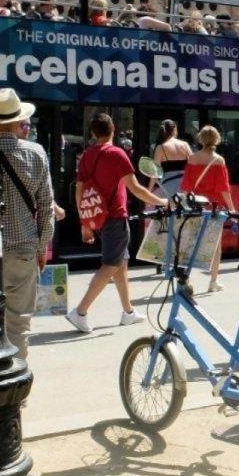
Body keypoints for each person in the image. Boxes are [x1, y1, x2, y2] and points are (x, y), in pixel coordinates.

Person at [65, 114, 167, 333]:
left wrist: (85, 222)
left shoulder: (87, 155)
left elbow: (79, 191)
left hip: (98, 217)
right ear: (113, 130)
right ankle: (80, 311)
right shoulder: (117, 154)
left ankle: (128, 312)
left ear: (93, 132)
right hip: (115, 216)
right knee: (111, 264)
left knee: (121, 263)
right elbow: (135, 188)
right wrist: (160, 201)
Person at [0, 89, 55, 361]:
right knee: (18, 321)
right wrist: (42, 248)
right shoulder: (35, 153)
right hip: (23, 248)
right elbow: (46, 208)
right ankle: (16, 380)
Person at [180, 126, 236, 293]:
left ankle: (186, 279)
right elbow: (223, 189)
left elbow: (186, 187)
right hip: (213, 208)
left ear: (200, 139)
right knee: (216, 245)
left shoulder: (192, 158)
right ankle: (213, 281)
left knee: (189, 244)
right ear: (217, 139)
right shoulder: (219, 160)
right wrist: (232, 208)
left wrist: (184, 203)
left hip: (195, 207)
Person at [151, 119, 192, 199]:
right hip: (184, 188)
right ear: (174, 130)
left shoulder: (160, 147)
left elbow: (154, 174)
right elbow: (193, 166)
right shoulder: (185, 145)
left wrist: (149, 190)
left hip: (167, 189)